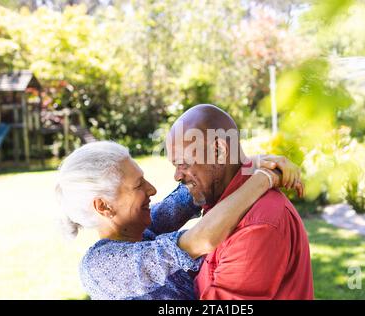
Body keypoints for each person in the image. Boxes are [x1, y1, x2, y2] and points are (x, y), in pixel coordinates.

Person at [55, 140, 301, 299]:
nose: (152, 190)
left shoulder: (143, 231)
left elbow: (195, 190)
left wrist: (257, 162)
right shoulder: (100, 266)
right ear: (104, 206)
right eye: (138, 185)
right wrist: (263, 178)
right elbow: (202, 240)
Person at [167, 104, 314, 300]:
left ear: (218, 150)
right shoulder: (221, 201)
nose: (177, 176)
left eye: (182, 163)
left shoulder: (258, 226)